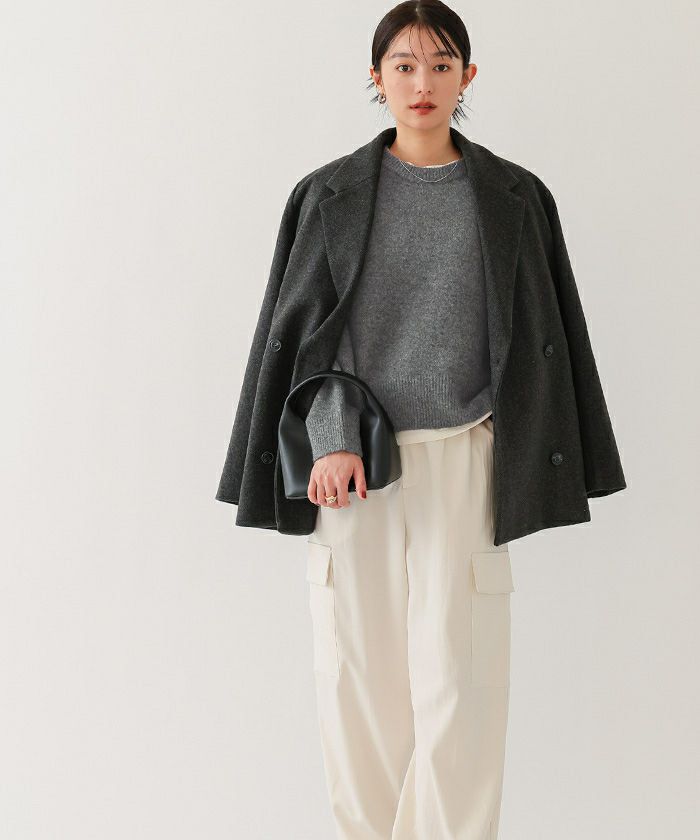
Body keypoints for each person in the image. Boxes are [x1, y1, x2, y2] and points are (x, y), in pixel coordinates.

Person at [216, 2, 626, 837]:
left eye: (441, 64)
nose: (422, 82)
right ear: (376, 78)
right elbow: (313, 334)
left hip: (467, 457)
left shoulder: (514, 196)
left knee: (462, 685)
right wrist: (331, 438)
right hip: (355, 468)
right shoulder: (329, 194)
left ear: (467, 77)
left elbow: (545, 333)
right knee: (358, 682)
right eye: (403, 65)